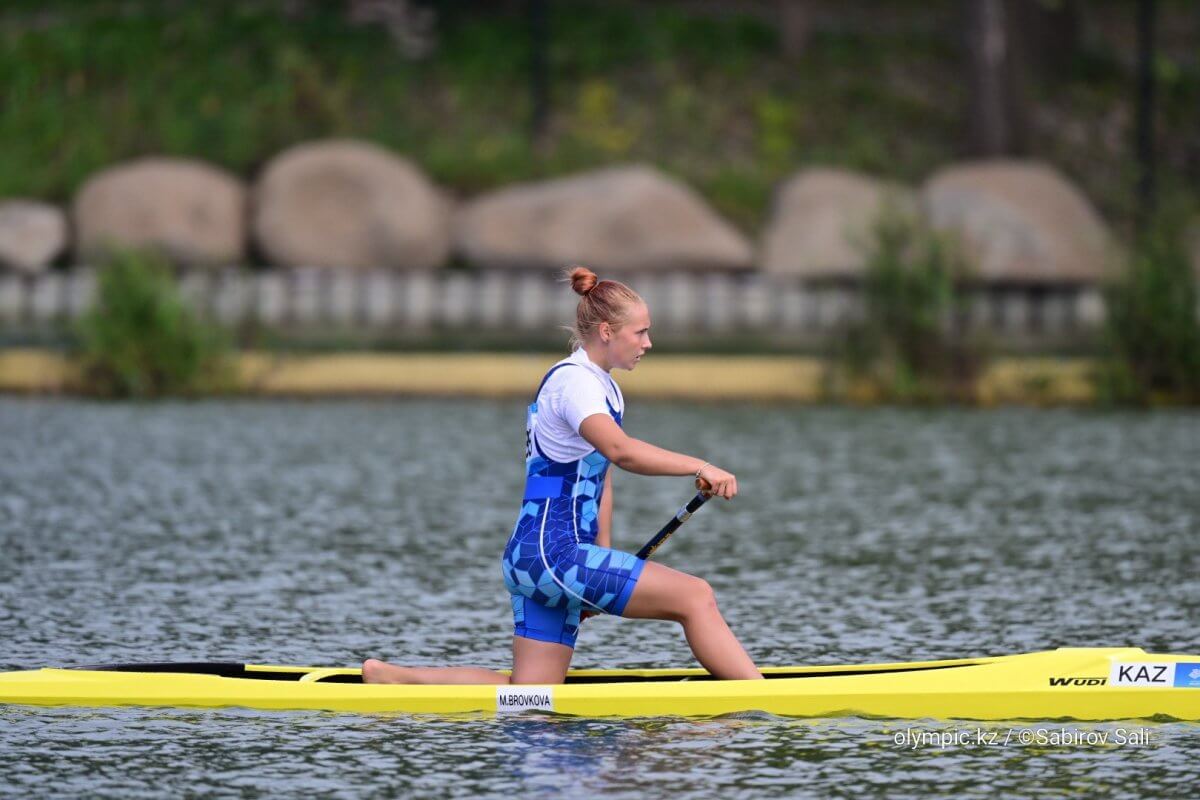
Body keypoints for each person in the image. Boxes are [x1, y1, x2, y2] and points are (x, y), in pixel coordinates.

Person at [363, 266, 762, 685]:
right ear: (607, 331)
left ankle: (394, 678)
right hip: (556, 555)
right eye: (640, 332)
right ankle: (760, 699)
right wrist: (700, 466)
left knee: (530, 697)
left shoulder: (600, 386)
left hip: (538, 558)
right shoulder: (575, 384)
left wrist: (604, 563)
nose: (648, 343)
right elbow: (620, 452)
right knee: (695, 596)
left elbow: (602, 476)